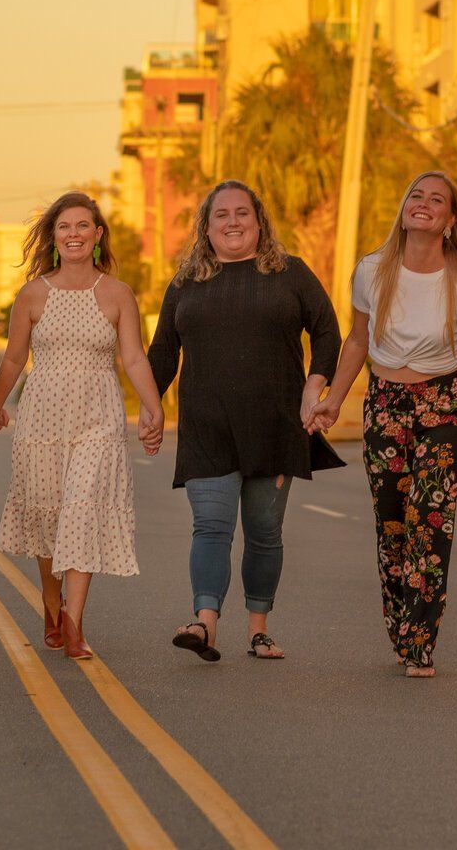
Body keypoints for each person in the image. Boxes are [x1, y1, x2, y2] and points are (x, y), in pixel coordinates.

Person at [309, 170, 457, 678]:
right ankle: (400, 623)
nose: (424, 203)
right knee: (393, 522)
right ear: (404, 207)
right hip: (386, 402)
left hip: (446, 406)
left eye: (437, 199)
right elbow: (356, 341)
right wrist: (333, 401)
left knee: (430, 519)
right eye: (416, 194)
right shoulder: (373, 270)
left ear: (450, 220)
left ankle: (421, 642)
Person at [148, 180, 343, 662]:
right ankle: (205, 623)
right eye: (222, 216)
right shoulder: (185, 282)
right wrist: (150, 408)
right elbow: (162, 354)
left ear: (259, 223)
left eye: (242, 214)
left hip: (276, 426)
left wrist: (314, 387)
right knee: (210, 526)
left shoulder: (290, 273)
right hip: (207, 429)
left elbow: (327, 332)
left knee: (263, 532)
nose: (232, 223)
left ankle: (258, 628)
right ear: (206, 228)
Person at [0, 193, 163, 660]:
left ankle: (74, 622)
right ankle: (50, 599)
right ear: (54, 236)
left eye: (84, 226)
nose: (74, 234)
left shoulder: (119, 294)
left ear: (98, 234)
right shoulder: (33, 294)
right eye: (65, 227)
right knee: (47, 515)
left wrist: (152, 406)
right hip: (41, 419)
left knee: (83, 507)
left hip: (99, 418)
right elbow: (15, 359)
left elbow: (134, 358)